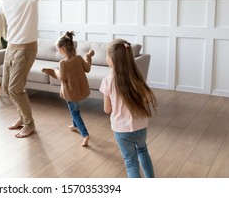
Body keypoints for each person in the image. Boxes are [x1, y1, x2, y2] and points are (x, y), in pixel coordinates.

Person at [0, 0, 61, 138]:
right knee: (6, 87)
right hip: (11, 47)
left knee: (15, 88)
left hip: (27, 48)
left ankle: (29, 124)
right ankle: (22, 117)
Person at [99, 38, 158, 178]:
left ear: (112, 59)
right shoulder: (137, 78)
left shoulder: (107, 81)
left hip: (121, 130)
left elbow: (107, 110)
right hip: (140, 127)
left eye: (107, 55)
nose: (106, 58)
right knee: (143, 151)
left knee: (131, 162)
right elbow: (148, 98)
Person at [42, 31, 94, 147]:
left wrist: (53, 71)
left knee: (75, 112)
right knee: (74, 109)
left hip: (70, 92)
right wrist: (88, 57)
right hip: (79, 90)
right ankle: (75, 125)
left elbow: (62, 78)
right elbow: (88, 68)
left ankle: (85, 134)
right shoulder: (79, 58)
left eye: (58, 49)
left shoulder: (62, 63)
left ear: (63, 49)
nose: (58, 51)